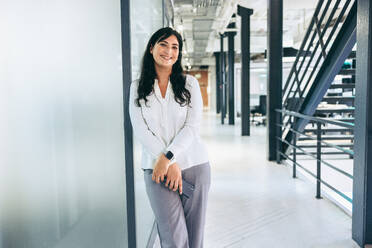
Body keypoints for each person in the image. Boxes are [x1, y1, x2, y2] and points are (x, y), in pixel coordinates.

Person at [129, 27, 211, 248]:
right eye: (163, 44)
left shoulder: (190, 83)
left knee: (194, 239)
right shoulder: (137, 88)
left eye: (175, 47)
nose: (169, 51)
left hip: (194, 166)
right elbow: (141, 129)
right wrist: (166, 161)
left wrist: (169, 157)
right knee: (173, 238)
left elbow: (192, 127)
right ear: (151, 48)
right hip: (157, 171)